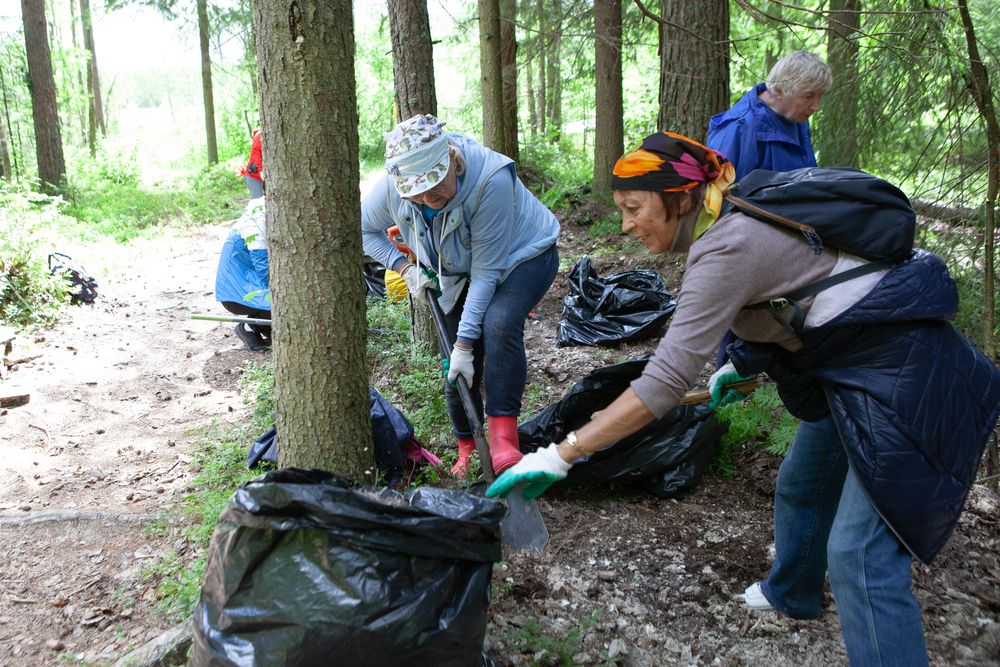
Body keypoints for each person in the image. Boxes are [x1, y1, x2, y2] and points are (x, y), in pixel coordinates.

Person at [487, 131, 1000, 666]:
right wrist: (740, 363)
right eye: (621, 209)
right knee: (803, 484)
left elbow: (663, 382)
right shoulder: (731, 219)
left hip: (909, 381)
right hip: (853, 374)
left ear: (681, 198)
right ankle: (792, 593)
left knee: (861, 557)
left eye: (635, 208)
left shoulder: (727, 245)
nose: (626, 225)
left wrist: (560, 453)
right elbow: (793, 294)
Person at [361, 114, 560, 477]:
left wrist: (467, 346)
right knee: (451, 352)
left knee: (497, 324)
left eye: (434, 185)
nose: (426, 198)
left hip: (524, 254)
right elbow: (363, 230)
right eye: (416, 192)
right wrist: (404, 267)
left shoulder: (490, 180)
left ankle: (503, 440)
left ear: (452, 157)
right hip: (458, 266)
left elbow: (486, 275)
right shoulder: (392, 188)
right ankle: (468, 447)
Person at [707, 52, 832, 181]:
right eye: (808, 96)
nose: (816, 106)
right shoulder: (738, 127)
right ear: (779, 91)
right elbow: (716, 193)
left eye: (820, 96)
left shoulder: (797, 118)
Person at [215, 196, 271, 351]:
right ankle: (250, 326)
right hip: (237, 295)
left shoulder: (262, 212)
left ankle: (258, 324)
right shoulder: (256, 222)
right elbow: (265, 272)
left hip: (247, 285)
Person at [240, 127, 264, 198]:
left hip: (260, 176)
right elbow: (256, 154)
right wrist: (262, 171)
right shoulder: (259, 135)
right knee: (258, 200)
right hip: (253, 176)